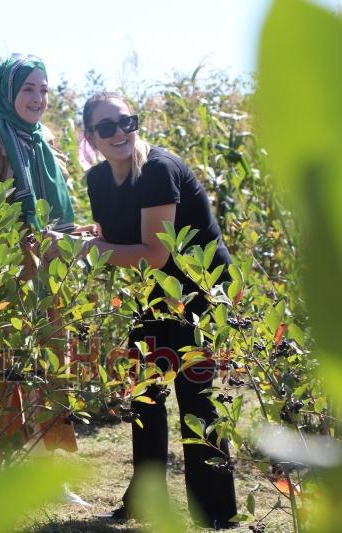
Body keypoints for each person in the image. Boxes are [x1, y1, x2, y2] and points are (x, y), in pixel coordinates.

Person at [55, 92, 238, 528]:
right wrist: (86, 235)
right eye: (107, 127)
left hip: (200, 288)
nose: (119, 132)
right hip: (153, 291)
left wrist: (82, 249)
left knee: (196, 399)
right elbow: (119, 236)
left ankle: (215, 514)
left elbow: (153, 253)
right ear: (90, 136)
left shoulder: (157, 170)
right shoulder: (98, 179)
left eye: (127, 121)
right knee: (146, 394)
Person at [0, 55, 91, 504]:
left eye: (44, 90)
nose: (38, 99)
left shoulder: (45, 140)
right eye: (28, 90)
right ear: (7, 94)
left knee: (52, 374)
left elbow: (60, 207)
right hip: (9, 283)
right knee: (4, 378)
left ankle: (47, 479)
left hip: (50, 279)